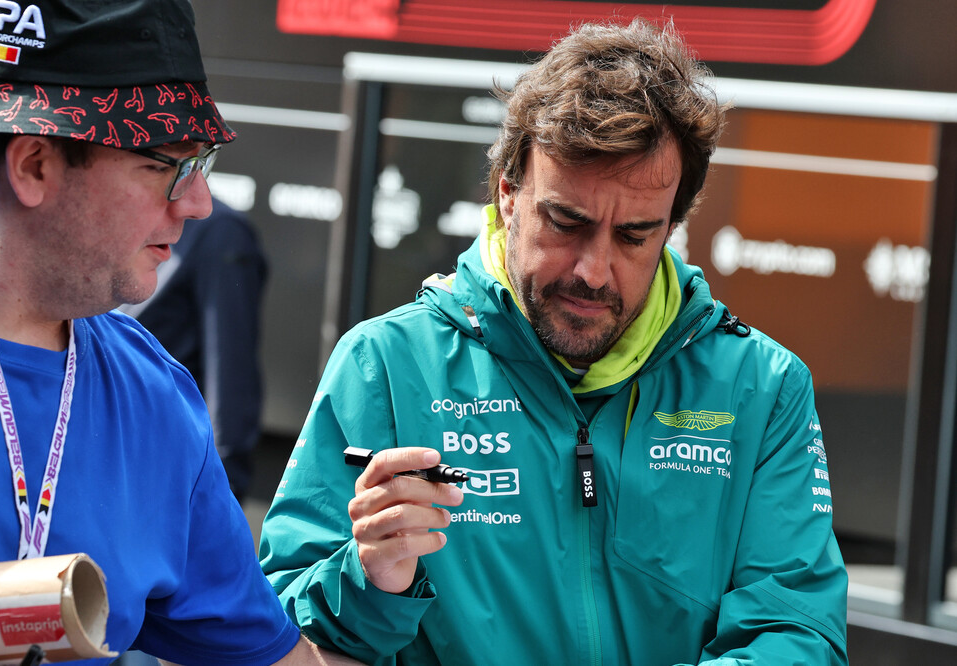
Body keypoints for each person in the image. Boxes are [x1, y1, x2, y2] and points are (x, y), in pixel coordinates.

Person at [0, 1, 356, 664]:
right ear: (36, 164)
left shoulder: (155, 399)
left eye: (203, 164)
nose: (198, 203)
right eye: (168, 166)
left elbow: (270, 657)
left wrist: (379, 589)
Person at [259, 18, 848, 665]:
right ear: (508, 194)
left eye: (634, 236)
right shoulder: (386, 366)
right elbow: (278, 630)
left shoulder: (761, 387)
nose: (594, 272)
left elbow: (796, 634)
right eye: (567, 222)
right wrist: (369, 578)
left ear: (674, 223)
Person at [123, 197, 268, 502]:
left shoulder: (220, 231)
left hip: (167, 478)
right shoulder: (131, 216)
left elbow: (231, 374)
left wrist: (220, 493)